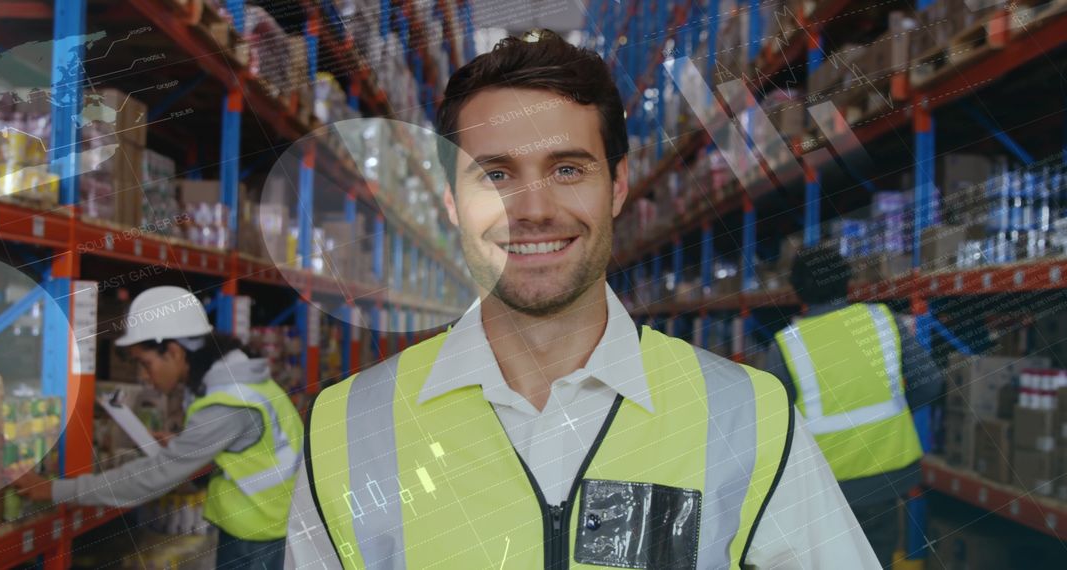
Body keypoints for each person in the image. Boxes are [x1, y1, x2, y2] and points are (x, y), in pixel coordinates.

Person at [287, 31, 879, 569]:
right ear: (450, 202)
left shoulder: (748, 414)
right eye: (495, 175)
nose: (534, 209)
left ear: (617, 186)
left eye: (567, 169)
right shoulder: (345, 427)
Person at [14, 286, 303, 570]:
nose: (144, 376)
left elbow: (152, 478)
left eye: (146, 363)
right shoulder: (236, 380)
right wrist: (187, 443)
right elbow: (248, 447)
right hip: (265, 524)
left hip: (262, 537)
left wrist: (54, 490)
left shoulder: (228, 403)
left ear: (174, 352)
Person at [765, 246, 944, 568]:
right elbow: (929, 382)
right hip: (888, 475)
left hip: (824, 486)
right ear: (847, 281)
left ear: (798, 289)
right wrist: (898, 413)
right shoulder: (881, 321)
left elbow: (771, 421)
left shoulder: (787, 343)